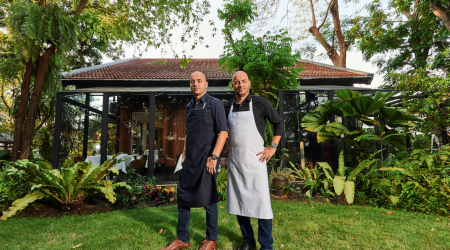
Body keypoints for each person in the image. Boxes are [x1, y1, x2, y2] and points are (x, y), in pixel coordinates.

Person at [160, 71, 228, 250]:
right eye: (192, 81)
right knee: (183, 198)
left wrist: (214, 157)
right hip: (189, 160)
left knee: (209, 200)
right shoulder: (189, 106)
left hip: (207, 160)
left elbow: (223, 132)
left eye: (199, 81)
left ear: (206, 84)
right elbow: (188, 132)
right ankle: (182, 239)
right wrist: (183, 154)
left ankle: (212, 239)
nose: (195, 84)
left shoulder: (215, 104)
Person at [224, 71, 284, 250]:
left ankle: (266, 245)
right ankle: (248, 241)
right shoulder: (227, 106)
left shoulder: (260, 103)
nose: (240, 85)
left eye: (243, 81)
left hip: (256, 160)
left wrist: (273, 146)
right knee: (238, 202)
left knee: (262, 204)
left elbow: (278, 123)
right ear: (232, 85)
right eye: (236, 82)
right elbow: (222, 131)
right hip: (235, 161)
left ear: (249, 84)